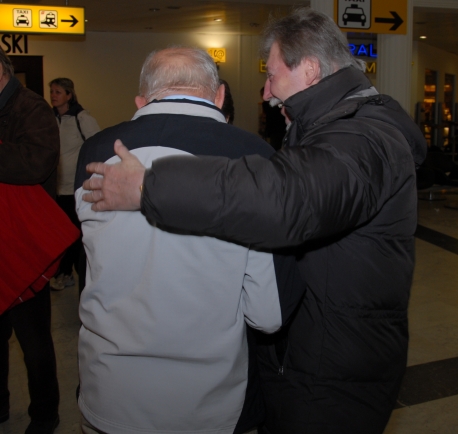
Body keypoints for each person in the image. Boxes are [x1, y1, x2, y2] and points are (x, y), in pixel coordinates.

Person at [81, 8, 427, 434]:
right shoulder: (329, 130)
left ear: (311, 70)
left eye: (273, 76)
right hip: (315, 359)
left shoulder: (362, 136)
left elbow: (287, 198)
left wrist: (150, 188)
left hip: (336, 373)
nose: (265, 92)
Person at [74, 46, 304, 434]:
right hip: (207, 399)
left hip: (108, 386)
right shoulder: (254, 157)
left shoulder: (95, 153)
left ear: (141, 100)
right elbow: (268, 315)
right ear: (218, 95)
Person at [0, 48, 61, 434]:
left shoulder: (31, 107)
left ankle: (45, 414)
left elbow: (37, 163)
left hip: (24, 243)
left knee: (34, 340)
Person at [49, 78, 100, 291]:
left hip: (75, 187)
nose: (53, 95)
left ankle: (73, 274)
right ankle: (65, 272)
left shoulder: (82, 118)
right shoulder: (49, 119)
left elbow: (97, 146)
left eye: (58, 92)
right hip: (56, 188)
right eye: (51, 91)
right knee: (59, 232)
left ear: (69, 95)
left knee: (75, 234)